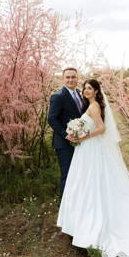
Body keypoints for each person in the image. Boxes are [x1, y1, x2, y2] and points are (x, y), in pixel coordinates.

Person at [57, 79, 129, 257]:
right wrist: (77, 133)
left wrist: (82, 137)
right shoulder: (91, 105)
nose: (86, 91)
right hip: (88, 149)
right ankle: (79, 223)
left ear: (96, 91)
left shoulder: (94, 106)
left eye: (89, 88)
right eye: (85, 88)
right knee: (84, 183)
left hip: (91, 147)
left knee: (90, 183)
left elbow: (102, 129)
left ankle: (89, 224)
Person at [48, 67, 84, 199]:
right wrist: (66, 135)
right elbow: (51, 119)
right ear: (63, 79)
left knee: (79, 174)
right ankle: (65, 207)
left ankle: (77, 202)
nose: (71, 80)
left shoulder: (80, 94)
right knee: (67, 174)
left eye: (73, 77)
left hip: (80, 142)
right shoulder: (58, 96)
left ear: (77, 78)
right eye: (68, 77)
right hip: (64, 143)